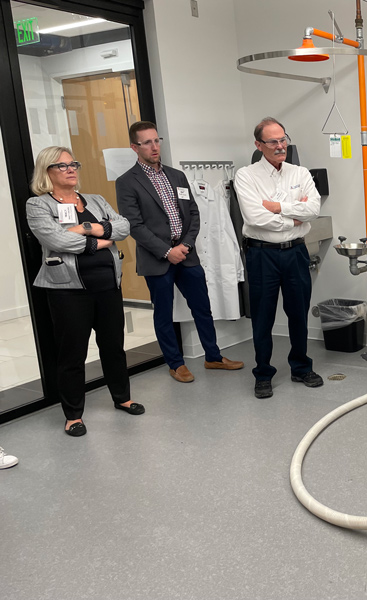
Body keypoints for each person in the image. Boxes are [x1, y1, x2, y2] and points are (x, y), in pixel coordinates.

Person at [26, 146, 142, 437]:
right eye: (62, 165)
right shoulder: (38, 205)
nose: (71, 169)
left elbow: (123, 227)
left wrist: (86, 227)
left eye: (73, 164)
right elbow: (56, 240)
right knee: (72, 354)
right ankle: (73, 414)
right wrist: (100, 239)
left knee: (113, 347)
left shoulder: (95, 199)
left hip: (107, 286)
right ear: (47, 172)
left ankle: (122, 398)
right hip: (68, 291)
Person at [116, 121, 244, 383]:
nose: (154, 146)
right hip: (157, 259)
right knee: (164, 313)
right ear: (134, 147)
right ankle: (175, 363)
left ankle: (213, 356)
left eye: (156, 140)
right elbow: (134, 225)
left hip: (187, 255)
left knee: (202, 307)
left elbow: (193, 214)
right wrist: (166, 251)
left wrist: (185, 245)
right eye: (147, 142)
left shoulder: (177, 176)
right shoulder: (127, 182)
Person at [234, 117, 323, 399]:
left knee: (298, 312)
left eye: (283, 139)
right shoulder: (246, 176)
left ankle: (300, 367)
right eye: (273, 141)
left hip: (295, 252)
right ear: (259, 144)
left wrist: (278, 208)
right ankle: (263, 374)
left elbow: (314, 210)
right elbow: (254, 217)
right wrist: (294, 217)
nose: (280, 145)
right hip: (262, 254)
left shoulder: (300, 173)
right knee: (262, 317)